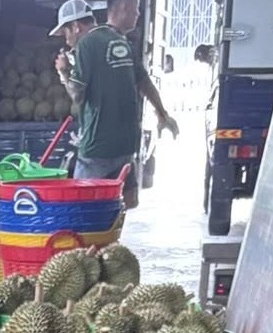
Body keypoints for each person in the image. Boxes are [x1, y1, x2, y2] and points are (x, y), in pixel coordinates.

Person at [52, 0, 143, 206]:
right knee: (121, 203)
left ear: (76, 26)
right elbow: (140, 81)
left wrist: (63, 72)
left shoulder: (86, 44)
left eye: (66, 32)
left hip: (97, 147)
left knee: (81, 207)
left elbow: (77, 95)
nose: (66, 40)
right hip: (126, 144)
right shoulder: (119, 39)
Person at [105, 0, 179, 139]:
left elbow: (144, 81)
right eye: (136, 8)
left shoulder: (126, 46)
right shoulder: (98, 43)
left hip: (121, 136)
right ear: (124, 6)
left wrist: (162, 114)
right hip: (104, 139)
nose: (138, 14)